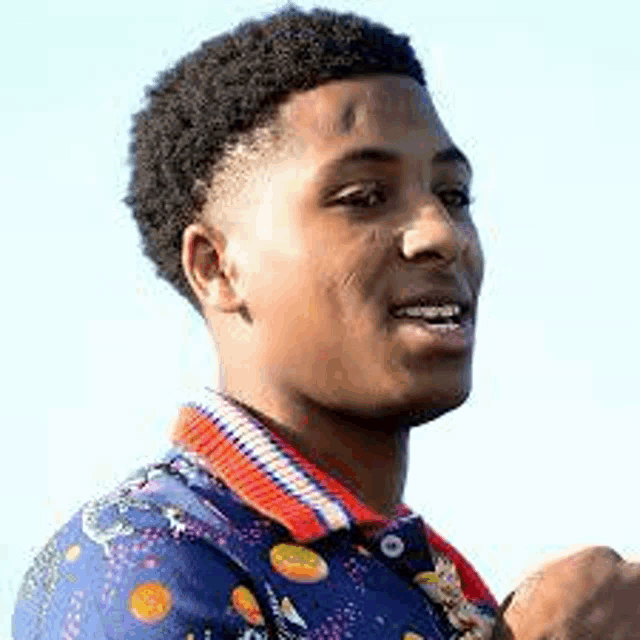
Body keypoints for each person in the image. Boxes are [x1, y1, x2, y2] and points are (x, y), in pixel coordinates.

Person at [12, 5, 640, 640]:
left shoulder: (424, 578)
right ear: (216, 267)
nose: (441, 235)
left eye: (453, 196)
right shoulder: (140, 560)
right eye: (363, 197)